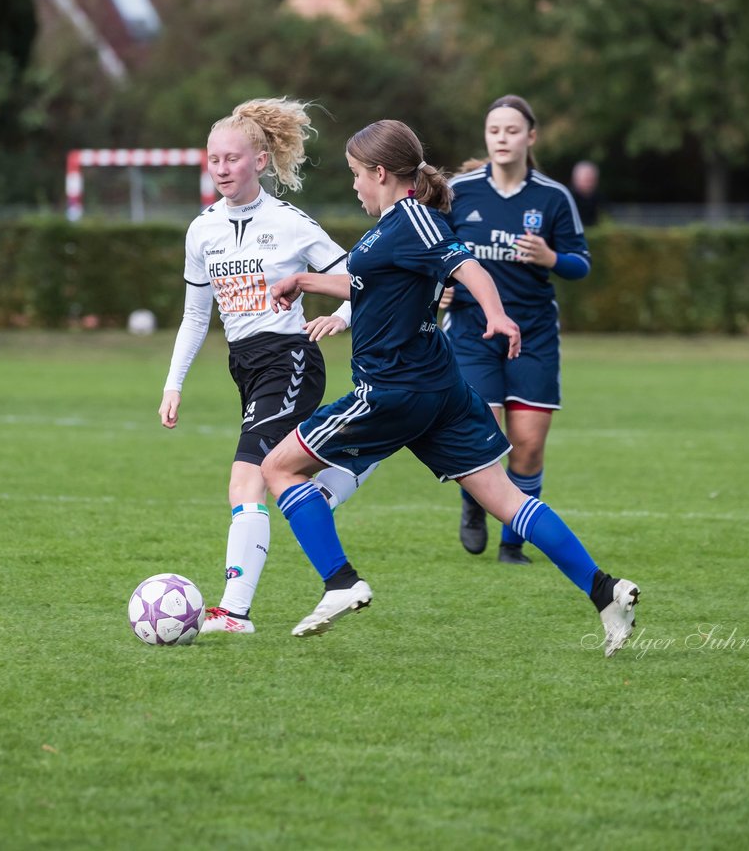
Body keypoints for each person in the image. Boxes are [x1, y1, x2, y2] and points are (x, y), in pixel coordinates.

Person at [261, 119, 640, 656]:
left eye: (355, 175)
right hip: (439, 390)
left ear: (380, 172)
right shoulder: (394, 225)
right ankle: (605, 592)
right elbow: (368, 283)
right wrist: (304, 281)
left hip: (393, 389)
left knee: (277, 468)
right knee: (508, 500)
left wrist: (498, 316)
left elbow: (468, 267)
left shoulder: (414, 220)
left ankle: (341, 582)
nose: (353, 186)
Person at [160, 97, 373, 636]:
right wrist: (173, 384)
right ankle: (354, 462)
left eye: (232, 158)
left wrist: (341, 319)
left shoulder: (290, 223)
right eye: (214, 160)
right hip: (245, 367)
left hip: (290, 359)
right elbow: (193, 315)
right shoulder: (201, 230)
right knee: (286, 479)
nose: (222, 169)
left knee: (245, 481)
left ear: (259, 160)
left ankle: (234, 612)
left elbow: (361, 277)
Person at [442, 95, 591, 564]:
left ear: (531, 136)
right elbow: (431, 252)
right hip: (471, 331)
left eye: (511, 130)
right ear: (485, 138)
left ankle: (512, 545)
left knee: (526, 445)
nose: (502, 138)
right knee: (483, 432)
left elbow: (581, 264)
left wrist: (551, 258)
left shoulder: (552, 197)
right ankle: (473, 501)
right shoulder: (459, 191)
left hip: (534, 335)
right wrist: (440, 286)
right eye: (494, 131)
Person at [571, 160, 600, 228]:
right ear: (575, 179)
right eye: (586, 180)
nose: (589, 184)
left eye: (591, 180)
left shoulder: (599, 198)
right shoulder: (567, 199)